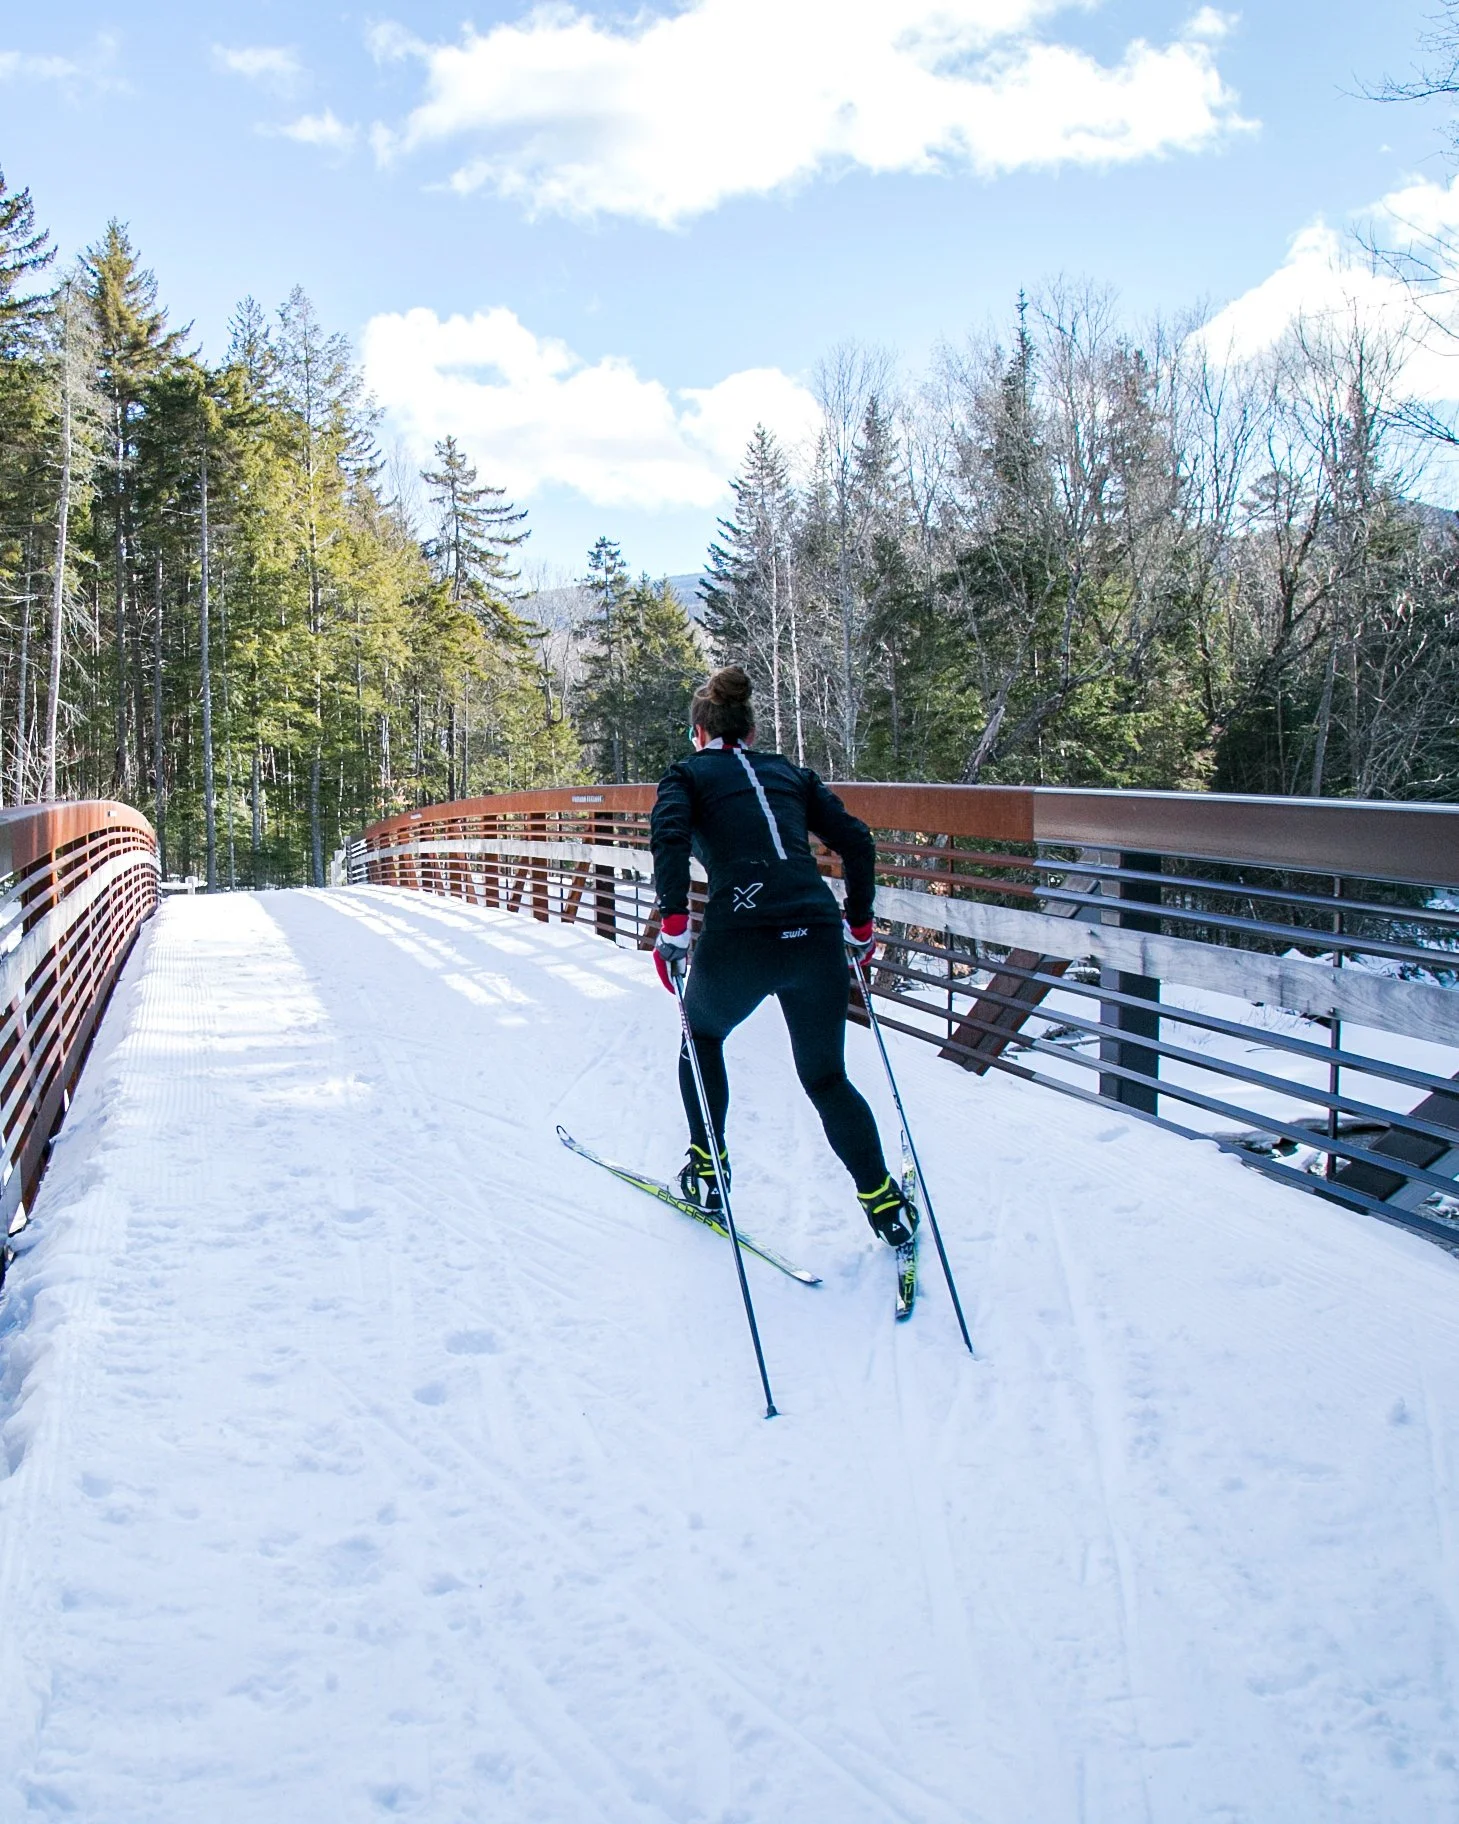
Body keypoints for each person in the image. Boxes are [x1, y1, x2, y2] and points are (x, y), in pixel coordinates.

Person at [648, 665, 917, 1249]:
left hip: (739, 935)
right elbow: (857, 840)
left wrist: (674, 926)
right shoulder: (790, 773)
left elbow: (668, 837)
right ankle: (884, 1204)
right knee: (826, 1076)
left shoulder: (686, 775)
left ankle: (708, 1172)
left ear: (699, 733)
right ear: (749, 732)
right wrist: (860, 924)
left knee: (703, 1037)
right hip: (814, 933)